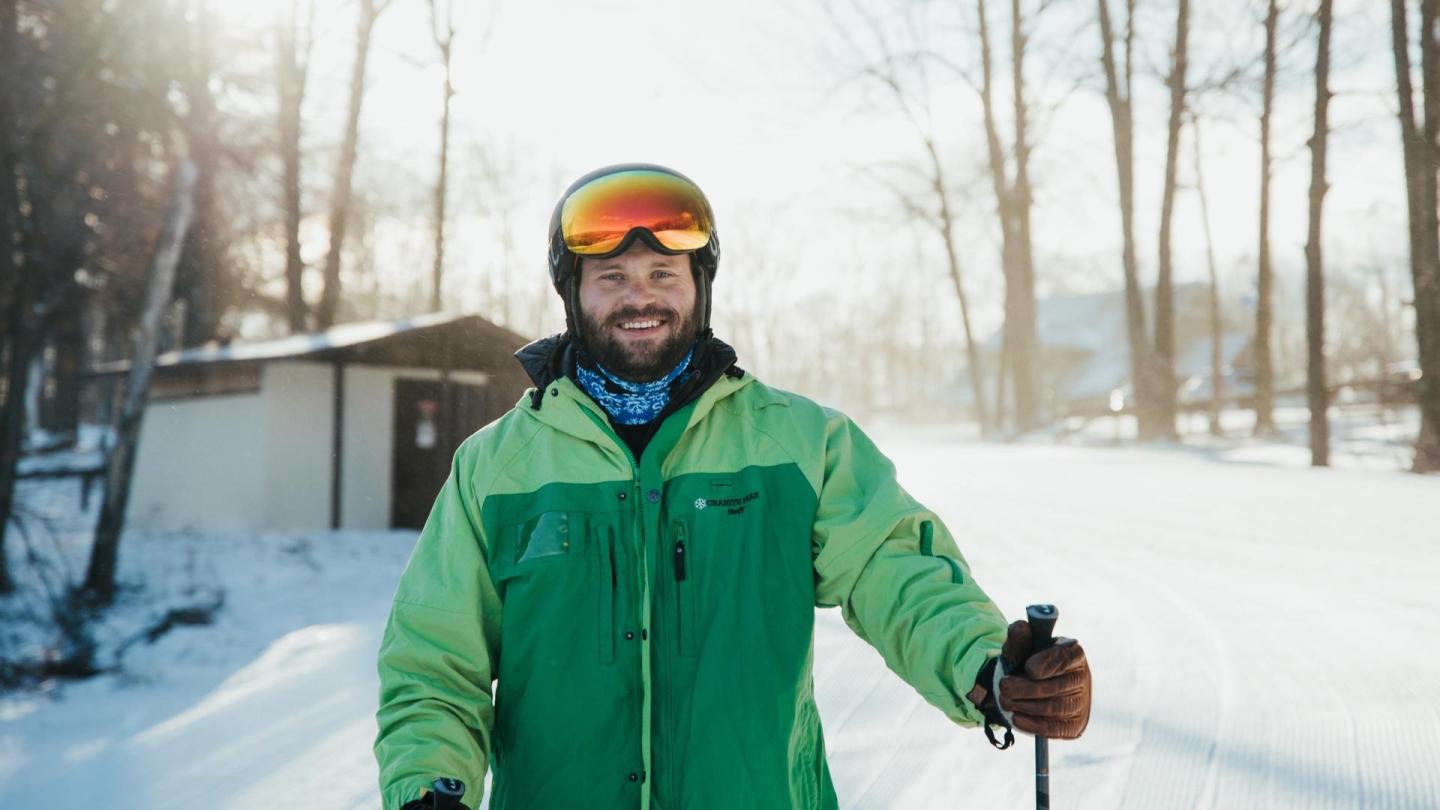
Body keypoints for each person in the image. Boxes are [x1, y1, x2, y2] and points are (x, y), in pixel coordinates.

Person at [373, 163, 1092, 810]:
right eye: (612, 277)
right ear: (574, 294)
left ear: (699, 288)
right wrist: (428, 790)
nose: (639, 297)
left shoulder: (802, 444)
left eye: (664, 274)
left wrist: (986, 664)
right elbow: (435, 661)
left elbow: (893, 568)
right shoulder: (494, 467)